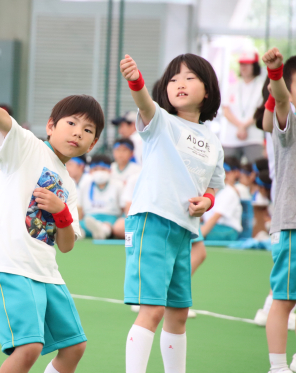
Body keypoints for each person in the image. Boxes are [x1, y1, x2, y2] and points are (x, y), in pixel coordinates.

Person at [0, 85, 103, 373]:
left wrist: (61, 213)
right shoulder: (28, 147)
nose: (77, 133)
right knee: (29, 347)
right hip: (10, 264)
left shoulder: (69, 185)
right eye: (71, 123)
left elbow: (67, 244)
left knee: (73, 347)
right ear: (51, 126)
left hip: (47, 272)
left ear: (92, 144)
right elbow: (4, 120)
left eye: (87, 130)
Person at [120, 53, 225, 373]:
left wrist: (206, 202)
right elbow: (144, 102)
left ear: (207, 91)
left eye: (190, 77)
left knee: (178, 312)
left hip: (185, 230)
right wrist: (135, 79)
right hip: (152, 220)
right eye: (173, 79)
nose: (180, 83)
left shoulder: (213, 140)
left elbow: (214, 185)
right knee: (152, 309)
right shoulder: (161, 122)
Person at [261, 48, 296, 373]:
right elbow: (279, 101)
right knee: (284, 300)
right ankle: (278, 367)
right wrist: (276, 72)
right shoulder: (290, 127)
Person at [220, 51, 266, 163]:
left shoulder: (262, 87)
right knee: (227, 170)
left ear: (254, 66)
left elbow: (262, 110)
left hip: (254, 138)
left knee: (255, 170)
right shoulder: (233, 87)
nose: (243, 67)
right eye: (241, 64)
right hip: (231, 138)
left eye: (247, 64)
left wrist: (244, 126)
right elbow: (226, 110)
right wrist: (240, 126)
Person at [78, 154, 124, 240]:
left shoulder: (118, 185)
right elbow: (80, 209)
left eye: (103, 169)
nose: (99, 172)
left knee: (107, 226)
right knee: (82, 224)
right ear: (90, 171)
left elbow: (123, 208)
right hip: (90, 218)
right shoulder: (85, 185)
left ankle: (102, 232)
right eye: (95, 169)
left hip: (110, 218)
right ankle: (83, 232)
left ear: (110, 170)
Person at [200, 157, 243, 241]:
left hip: (227, 230)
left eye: (226, 172)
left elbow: (215, 218)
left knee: (192, 234)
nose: (223, 175)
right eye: (220, 171)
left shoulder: (229, 192)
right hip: (213, 227)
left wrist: (199, 236)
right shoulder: (212, 190)